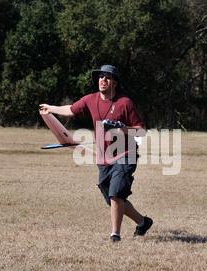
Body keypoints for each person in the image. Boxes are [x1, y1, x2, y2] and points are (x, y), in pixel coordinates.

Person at [39, 65, 153, 242]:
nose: (103, 79)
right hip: (104, 157)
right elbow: (71, 109)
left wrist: (123, 129)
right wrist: (51, 109)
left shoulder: (125, 103)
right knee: (113, 199)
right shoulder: (90, 100)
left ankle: (115, 235)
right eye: (101, 76)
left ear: (115, 82)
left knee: (116, 194)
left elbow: (142, 131)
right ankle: (142, 222)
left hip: (126, 155)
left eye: (108, 77)